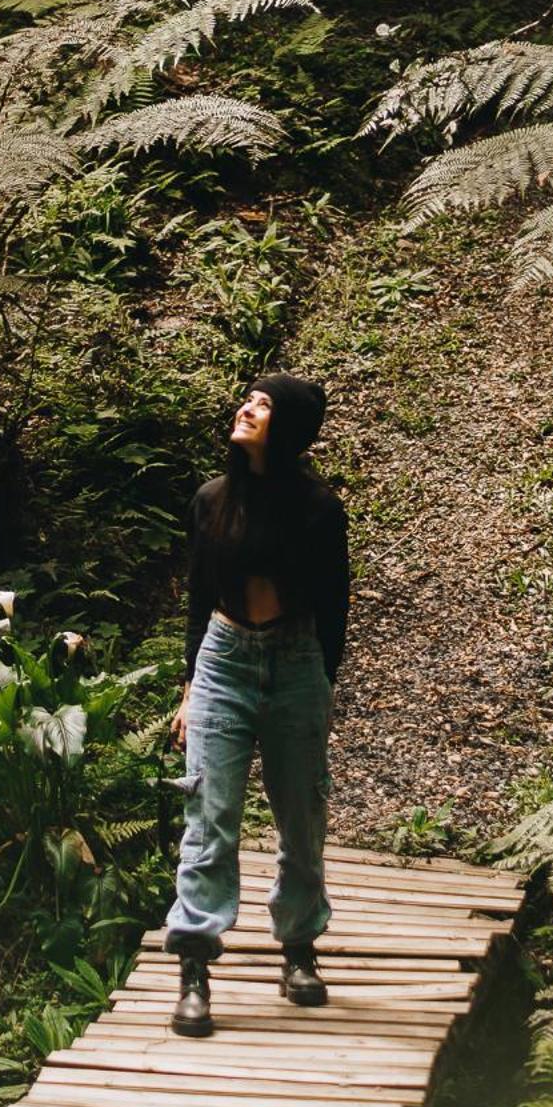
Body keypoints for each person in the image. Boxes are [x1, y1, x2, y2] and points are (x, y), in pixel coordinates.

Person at [164, 372, 350, 1037]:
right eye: (248, 399)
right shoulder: (212, 500)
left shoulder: (319, 509)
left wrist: (320, 685)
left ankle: (298, 951)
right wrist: (190, 687)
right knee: (210, 814)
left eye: (263, 405)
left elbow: (333, 608)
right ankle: (193, 966)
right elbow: (196, 601)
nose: (246, 408)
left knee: (301, 815)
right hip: (223, 661)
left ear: (291, 426)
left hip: (296, 661)